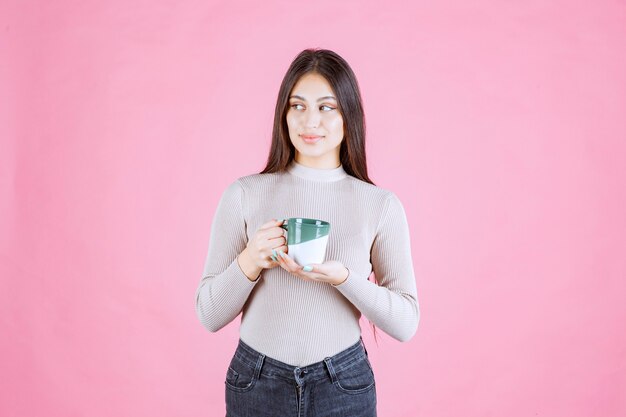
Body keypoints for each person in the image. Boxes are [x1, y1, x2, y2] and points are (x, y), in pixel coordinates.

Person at [194, 48, 420, 417]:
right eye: (297, 106)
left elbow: (406, 323)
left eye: (326, 107)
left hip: (342, 384)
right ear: (283, 113)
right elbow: (208, 314)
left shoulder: (380, 205)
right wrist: (250, 260)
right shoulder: (245, 194)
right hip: (256, 381)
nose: (309, 121)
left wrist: (344, 278)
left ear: (349, 115)